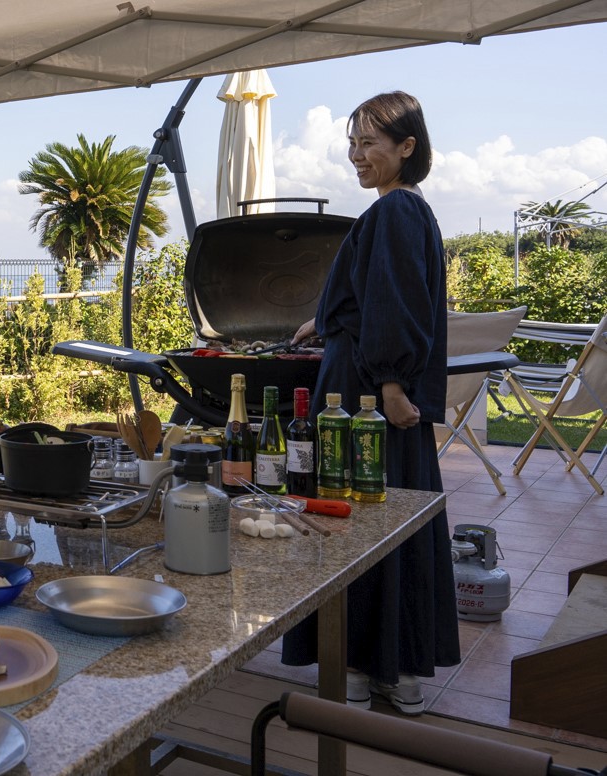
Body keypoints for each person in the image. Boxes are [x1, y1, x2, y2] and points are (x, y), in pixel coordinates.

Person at [280, 91, 460, 715]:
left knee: (364, 523)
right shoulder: (406, 212)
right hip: (369, 392)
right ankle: (390, 670)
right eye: (352, 144)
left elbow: (397, 304)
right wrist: (325, 317)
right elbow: (380, 291)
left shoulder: (393, 213)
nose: (357, 156)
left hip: (365, 406)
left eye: (370, 144)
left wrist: (389, 385)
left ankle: (360, 664)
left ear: (407, 147)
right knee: (390, 519)